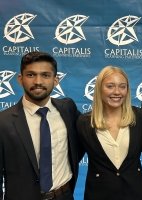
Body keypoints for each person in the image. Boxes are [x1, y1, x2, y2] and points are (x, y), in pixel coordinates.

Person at [0, 51, 81, 200]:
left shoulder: (67, 108)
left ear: (55, 80)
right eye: (31, 75)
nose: (38, 81)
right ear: (20, 79)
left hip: (64, 196)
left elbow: (84, 139)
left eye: (45, 75)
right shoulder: (3, 121)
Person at [76, 66, 142, 200]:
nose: (117, 92)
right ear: (99, 89)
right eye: (110, 86)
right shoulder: (84, 122)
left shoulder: (140, 117)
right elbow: (73, 157)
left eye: (122, 86)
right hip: (98, 194)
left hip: (135, 193)